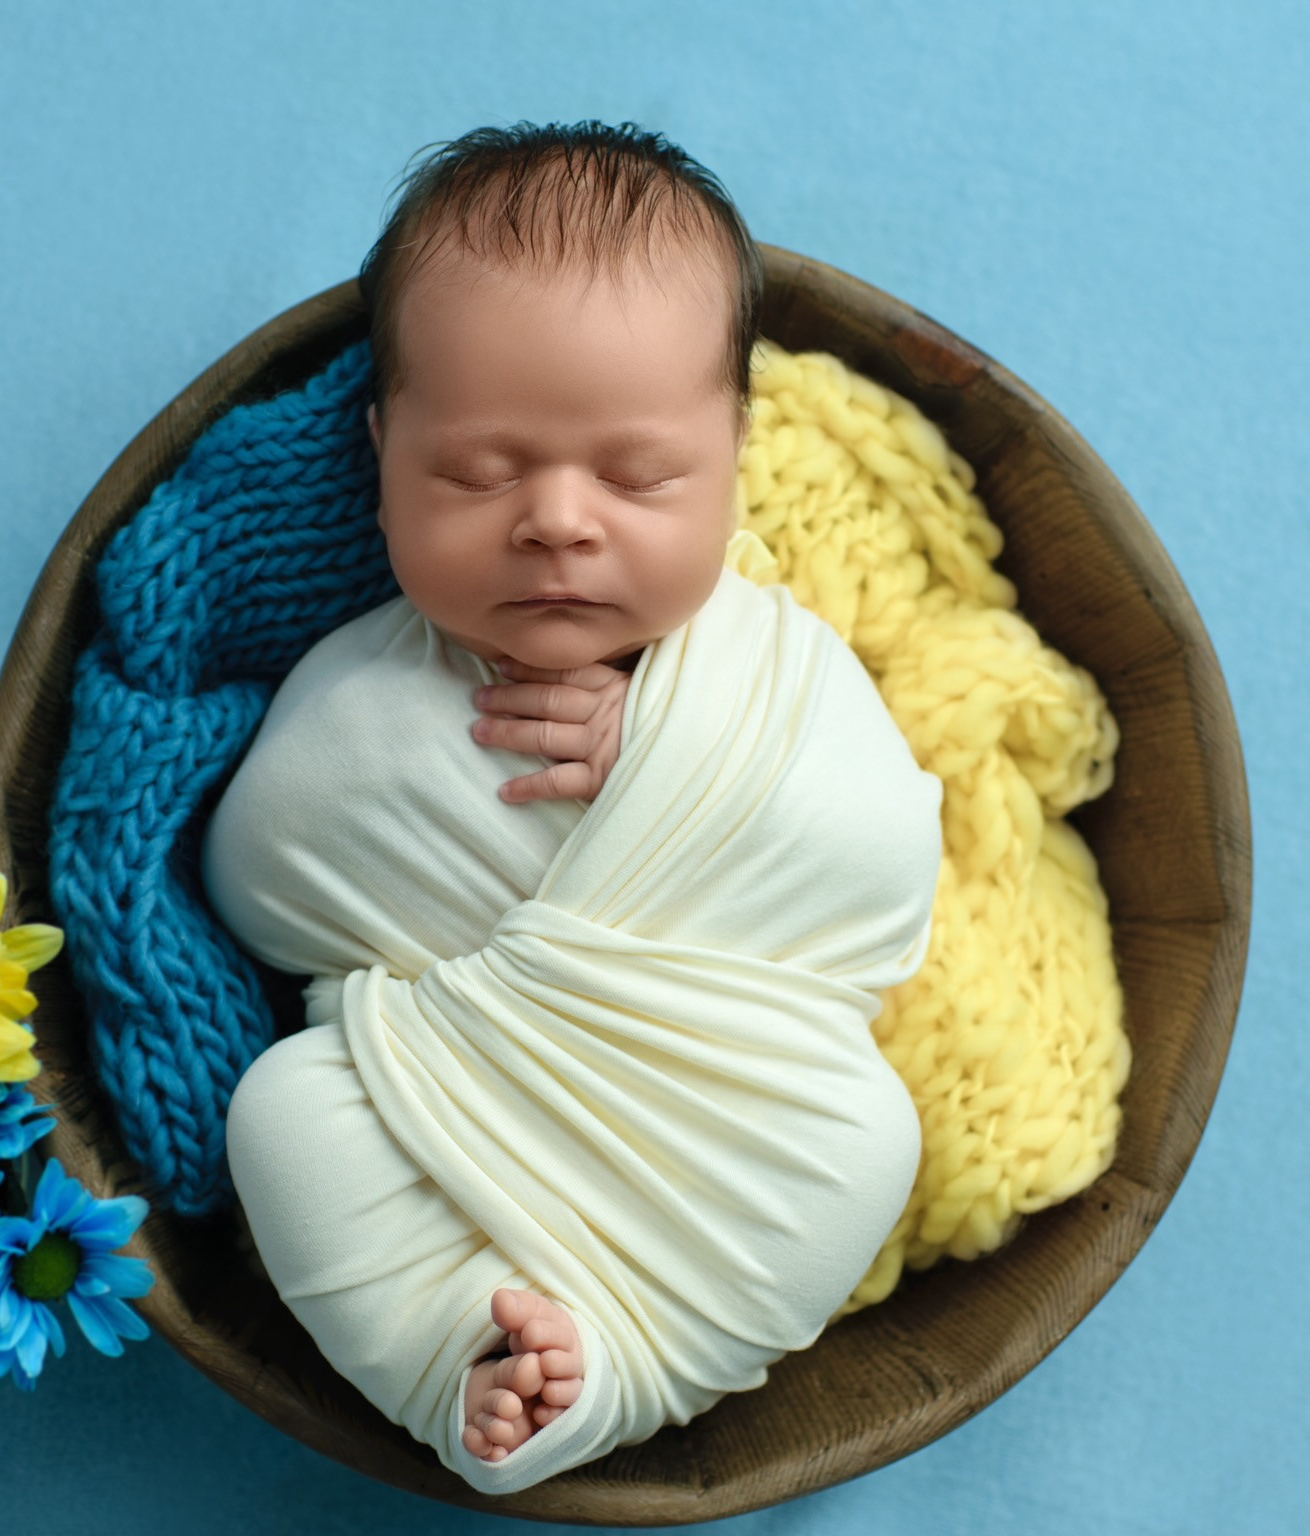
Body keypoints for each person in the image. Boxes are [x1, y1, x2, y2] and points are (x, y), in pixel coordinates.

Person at [202, 122, 941, 1493]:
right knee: (281, 1120)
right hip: (436, 1097)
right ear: (380, 449)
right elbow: (259, 882)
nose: (556, 519)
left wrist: (671, 758)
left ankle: (631, 1369)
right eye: (477, 473)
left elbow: (886, 873)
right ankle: (464, 1366)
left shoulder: (765, 675)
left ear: (733, 450)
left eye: (639, 475)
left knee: (870, 1137)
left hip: (733, 1109)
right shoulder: (352, 684)